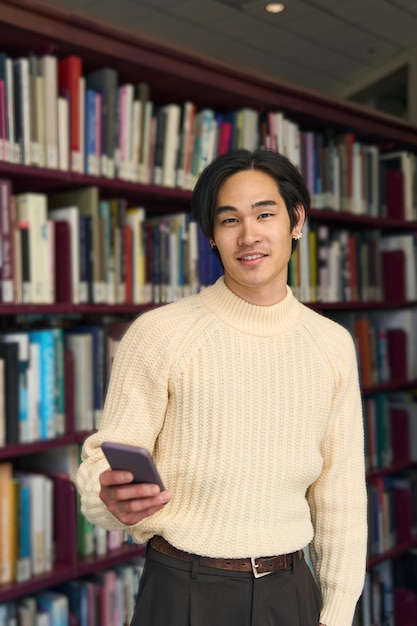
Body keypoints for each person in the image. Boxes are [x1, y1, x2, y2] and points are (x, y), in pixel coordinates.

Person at [76, 147, 367, 626]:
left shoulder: (331, 344)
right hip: (180, 589)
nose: (249, 235)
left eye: (265, 214)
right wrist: (106, 497)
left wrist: (336, 614)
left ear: (296, 220)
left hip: (290, 591)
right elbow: (104, 459)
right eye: (229, 220)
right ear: (211, 235)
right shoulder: (159, 333)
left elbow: (340, 497)